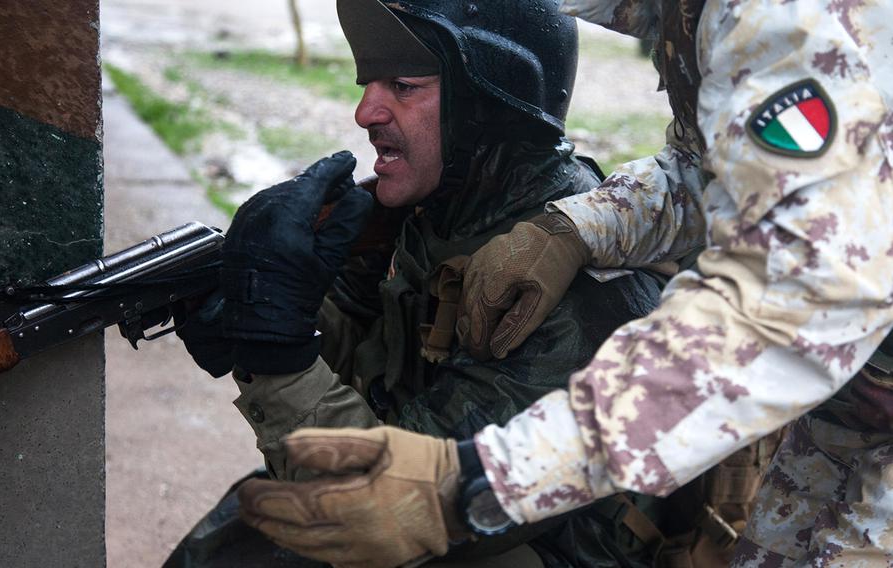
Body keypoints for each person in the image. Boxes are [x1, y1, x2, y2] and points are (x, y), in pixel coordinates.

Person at [235, 0, 893, 567]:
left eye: (405, 83)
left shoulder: (786, 21)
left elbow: (792, 299)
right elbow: (717, 165)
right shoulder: (700, 15)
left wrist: (479, 479)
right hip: (846, 409)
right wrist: (581, 225)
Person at [171, 0, 680, 566]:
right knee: (245, 527)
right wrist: (267, 311)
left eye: (403, 85)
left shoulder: (574, 296)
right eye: (370, 83)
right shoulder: (447, 211)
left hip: (502, 535)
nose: (365, 112)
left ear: (489, 103)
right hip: (433, 492)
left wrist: (278, 357)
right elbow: (384, 367)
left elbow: (384, 512)